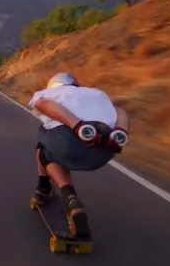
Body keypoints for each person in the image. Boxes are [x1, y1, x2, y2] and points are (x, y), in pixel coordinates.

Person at [28, 72, 129, 238]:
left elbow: (42, 104)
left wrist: (77, 125)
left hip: (72, 139)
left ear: (53, 85)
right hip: (104, 150)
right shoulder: (97, 93)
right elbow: (119, 111)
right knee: (118, 110)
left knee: (44, 147)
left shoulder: (50, 93)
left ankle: (48, 191)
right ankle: (120, 133)